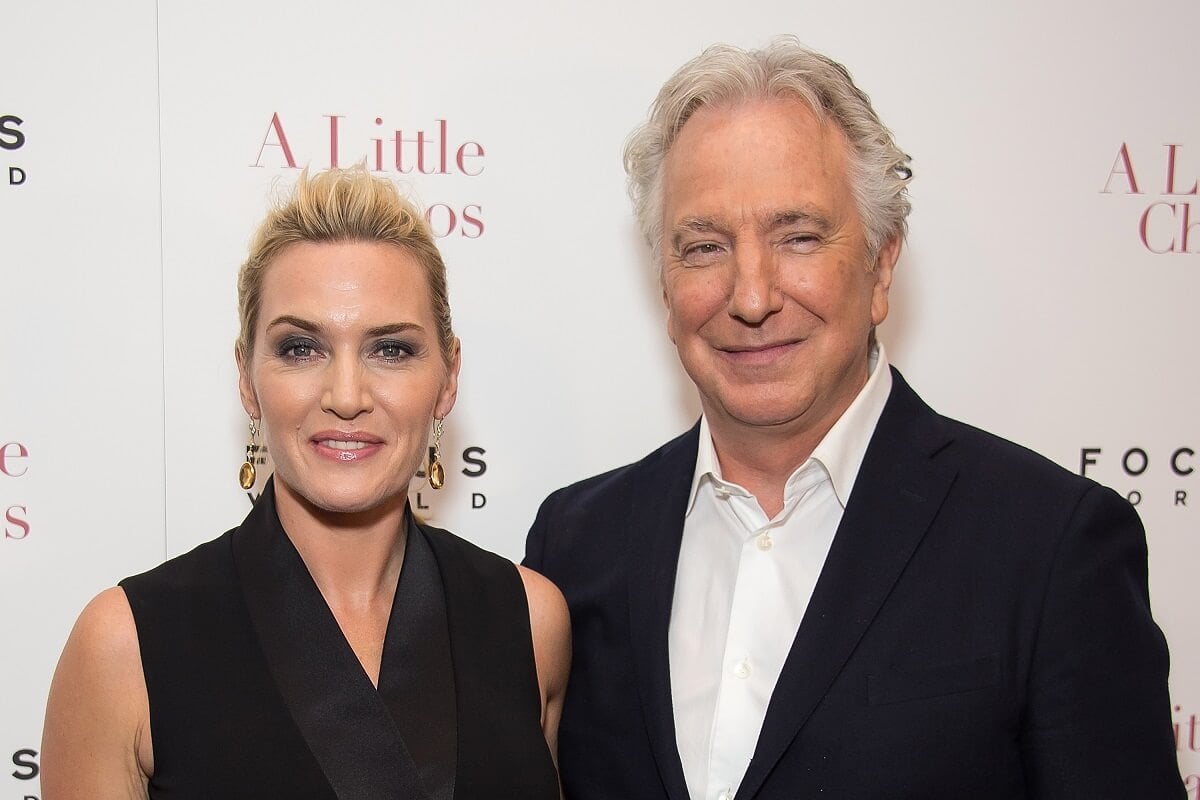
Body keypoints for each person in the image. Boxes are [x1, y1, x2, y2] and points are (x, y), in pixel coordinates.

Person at [524, 37, 1183, 800]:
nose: (752, 294)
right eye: (703, 247)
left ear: (881, 265)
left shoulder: (1049, 546)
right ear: (665, 287)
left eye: (798, 237)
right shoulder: (575, 545)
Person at [42, 167, 569, 799]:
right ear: (246, 376)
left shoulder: (529, 622)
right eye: (300, 348)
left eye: (391, 350)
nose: (346, 397)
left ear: (449, 376)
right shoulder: (125, 646)